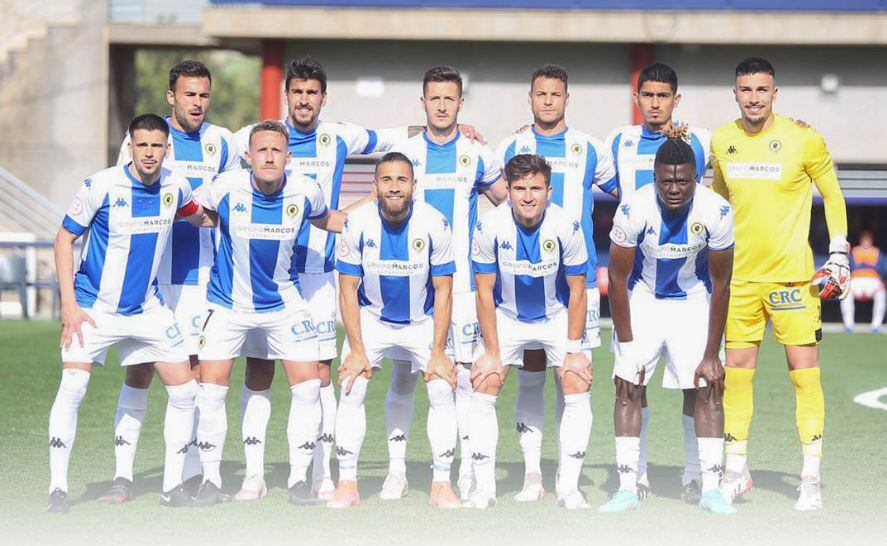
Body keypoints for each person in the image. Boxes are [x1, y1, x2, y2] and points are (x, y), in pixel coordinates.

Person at [47, 114, 214, 512]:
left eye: (157, 146)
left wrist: (237, 213)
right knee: (73, 388)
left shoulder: (176, 185)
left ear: (167, 148)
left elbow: (199, 215)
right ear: (130, 146)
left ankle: (171, 487)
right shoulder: (100, 186)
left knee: (186, 390)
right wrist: (69, 307)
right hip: (93, 308)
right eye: (143, 145)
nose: (150, 153)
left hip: (147, 309)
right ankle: (58, 489)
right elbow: (64, 237)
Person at [101, 59, 248, 504]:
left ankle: (190, 476)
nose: (198, 103)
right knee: (141, 372)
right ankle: (122, 477)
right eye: (189, 94)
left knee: (202, 378)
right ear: (171, 96)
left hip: (205, 282)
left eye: (204, 95)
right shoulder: (145, 140)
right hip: (153, 283)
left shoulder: (223, 143)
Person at [711, 57, 849, 511]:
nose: (754, 98)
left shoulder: (804, 138)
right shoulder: (722, 139)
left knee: (805, 377)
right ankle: (736, 470)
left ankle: (810, 476)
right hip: (741, 280)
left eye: (762, 90)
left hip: (794, 279)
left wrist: (839, 253)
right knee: (736, 377)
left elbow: (832, 194)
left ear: (775, 93)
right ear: (735, 93)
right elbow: (719, 203)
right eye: (746, 90)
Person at [190, 120, 345, 507]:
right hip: (228, 304)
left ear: (288, 157)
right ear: (248, 156)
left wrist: (379, 217)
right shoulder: (226, 186)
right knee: (211, 390)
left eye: (277, 150)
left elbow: (328, 219)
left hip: (284, 303)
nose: (270, 156)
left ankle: (298, 481)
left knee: (309, 387)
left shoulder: (306, 191)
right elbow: (195, 210)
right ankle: (212, 479)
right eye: (262, 150)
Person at [380, 66, 506, 502]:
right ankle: (396, 471)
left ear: (459, 104)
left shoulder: (477, 154)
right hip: (411, 288)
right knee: (403, 378)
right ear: (423, 102)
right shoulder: (404, 151)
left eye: (448, 99)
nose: (441, 106)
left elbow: (510, 199)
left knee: (466, 381)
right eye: (433, 98)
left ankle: (467, 471)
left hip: (465, 288)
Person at [494, 64, 616, 502]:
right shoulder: (511, 145)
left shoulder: (590, 149)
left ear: (567, 99)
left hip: (575, 284)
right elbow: (493, 190)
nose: (548, 101)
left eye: (556, 94)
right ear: (530, 98)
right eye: (540, 94)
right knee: (529, 378)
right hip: (524, 283)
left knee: (573, 377)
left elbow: (632, 188)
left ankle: (569, 482)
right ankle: (531, 477)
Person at [599, 134, 736, 515]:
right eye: (666, 181)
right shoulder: (633, 209)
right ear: (654, 177)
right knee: (628, 385)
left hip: (694, 299)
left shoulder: (718, 211)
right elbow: (618, 278)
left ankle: (706, 485)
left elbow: (722, 283)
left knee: (707, 387)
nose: (674, 189)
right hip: (644, 297)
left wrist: (712, 353)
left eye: (683, 181)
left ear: (697, 177)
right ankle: (630, 484)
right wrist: (626, 343)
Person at [328, 152, 461, 509]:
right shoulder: (356, 223)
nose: (394, 187)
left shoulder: (435, 223)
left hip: (422, 322)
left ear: (414, 186)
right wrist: (356, 350)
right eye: (386, 180)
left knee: (442, 388)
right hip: (373, 319)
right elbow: (347, 289)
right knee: (352, 384)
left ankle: (441, 484)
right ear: (375, 185)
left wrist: (437, 351)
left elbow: (443, 289)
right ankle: (348, 483)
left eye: (402, 180)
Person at [604, 62, 711, 503]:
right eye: (647, 95)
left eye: (663, 96)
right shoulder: (618, 141)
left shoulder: (695, 142)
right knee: (632, 382)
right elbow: (605, 184)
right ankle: (638, 478)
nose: (654, 103)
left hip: (689, 283)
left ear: (675, 100)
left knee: (696, 387)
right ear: (637, 99)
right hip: (638, 288)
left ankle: (693, 476)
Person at [466, 154, 592, 510]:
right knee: (484, 381)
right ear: (506, 189)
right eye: (519, 188)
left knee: (576, 380)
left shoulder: (566, 225)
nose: (527, 196)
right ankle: (484, 489)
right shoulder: (489, 226)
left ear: (549, 191)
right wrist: (491, 351)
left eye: (535, 188)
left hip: (556, 314)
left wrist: (573, 349)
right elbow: (485, 290)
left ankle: (569, 487)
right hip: (507, 316)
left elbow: (579, 288)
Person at [840, 231, 886, 333]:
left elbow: (883, 269)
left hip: (873, 281)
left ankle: (876, 326)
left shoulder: (877, 252)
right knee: (845, 293)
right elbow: (848, 267)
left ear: (871, 241)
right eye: (864, 240)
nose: (866, 242)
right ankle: (848, 325)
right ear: (861, 241)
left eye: (868, 240)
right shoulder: (854, 251)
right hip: (856, 281)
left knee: (881, 293)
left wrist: (866, 266)